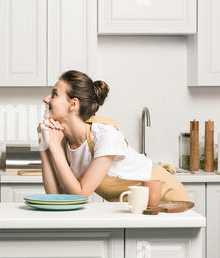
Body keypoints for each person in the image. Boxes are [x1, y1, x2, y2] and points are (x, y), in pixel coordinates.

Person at [38, 70, 191, 202]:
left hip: (166, 195)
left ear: (73, 104)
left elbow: (81, 195)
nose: (46, 99)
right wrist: (45, 146)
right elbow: (56, 197)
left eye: (54, 94)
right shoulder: (64, 141)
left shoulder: (105, 135)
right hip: (137, 205)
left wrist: (54, 146)